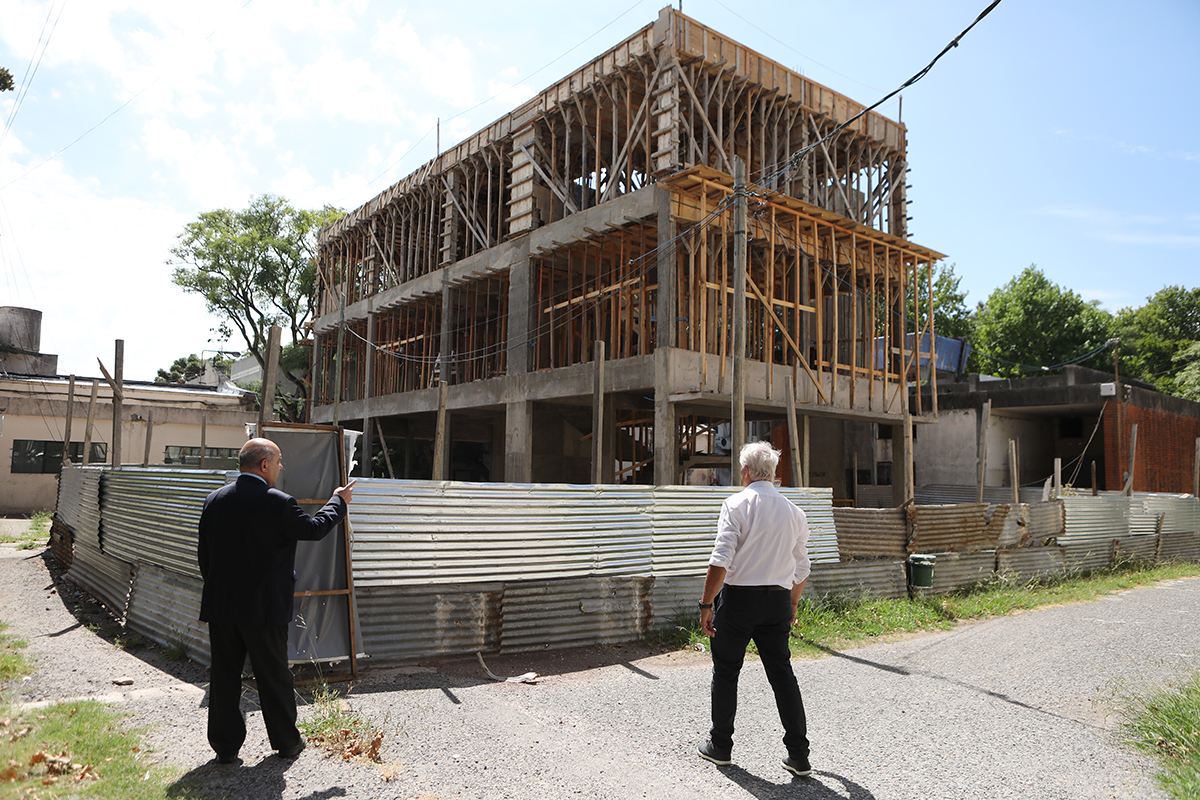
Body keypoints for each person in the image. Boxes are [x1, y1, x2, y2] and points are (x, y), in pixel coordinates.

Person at [197, 437, 356, 765]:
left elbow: (204, 556)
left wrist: (219, 589)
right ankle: (286, 742)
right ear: (264, 465)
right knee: (273, 675)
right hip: (264, 608)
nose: (281, 467)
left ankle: (225, 747)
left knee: (224, 676)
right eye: (279, 461)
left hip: (221, 606)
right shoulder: (278, 502)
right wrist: (338, 502)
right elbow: (313, 529)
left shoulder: (215, 500)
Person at [697, 441, 812, 777]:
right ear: (772, 473)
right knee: (782, 675)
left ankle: (720, 746)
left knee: (726, 671)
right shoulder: (794, 512)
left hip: (738, 601)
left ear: (746, 471)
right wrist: (792, 602)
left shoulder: (735, 504)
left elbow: (720, 559)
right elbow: (802, 567)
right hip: (777, 600)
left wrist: (706, 604)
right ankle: (799, 756)